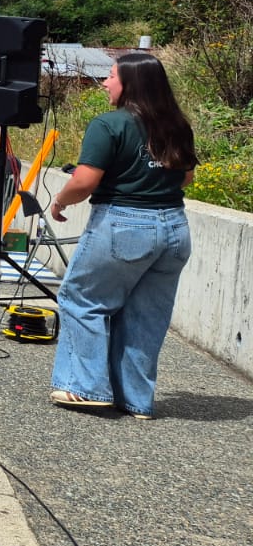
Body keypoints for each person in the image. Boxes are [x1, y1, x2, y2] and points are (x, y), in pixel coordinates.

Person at [47, 53, 196, 419]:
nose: (105, 83)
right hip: (175, 230)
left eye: (111, 76)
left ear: (130, 83)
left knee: (82, 300)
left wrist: (60, 200)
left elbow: (84, 181)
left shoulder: (109, 124)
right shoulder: (177, 125)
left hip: (125, 224)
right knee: (146, 316)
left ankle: (84, 388)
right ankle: (136, 400)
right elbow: (186, 178)